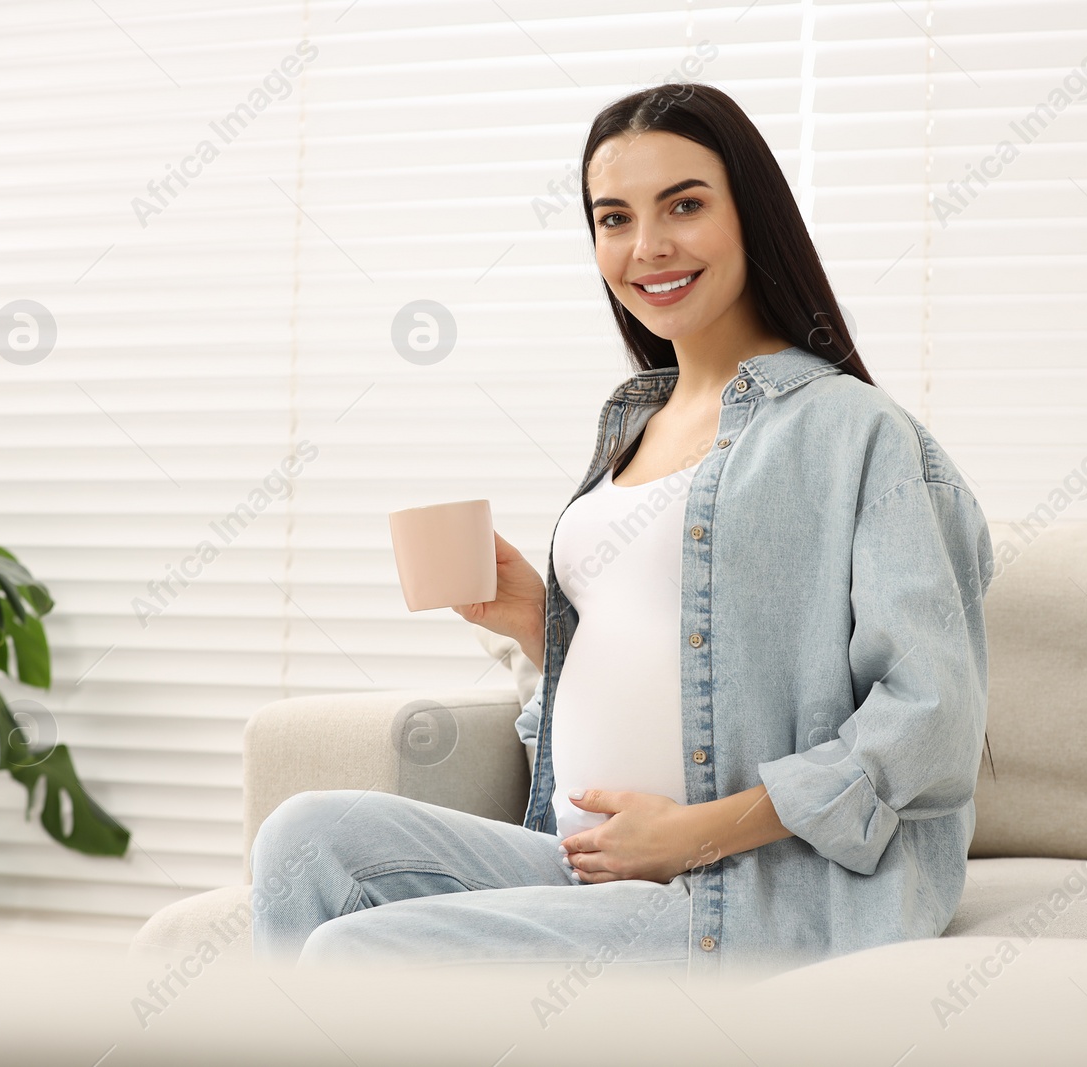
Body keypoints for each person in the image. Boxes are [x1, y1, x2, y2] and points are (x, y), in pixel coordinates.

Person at [251, 82, 995, 984]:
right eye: (614, 217)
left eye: (684, 204)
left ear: (751, 215)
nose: (648, 247)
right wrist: (538, 622)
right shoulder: (632, 426)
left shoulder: (857, 432)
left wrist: (694, 833)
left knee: (353, 953)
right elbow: (656, 654)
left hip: (752, 888)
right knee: (303, 837)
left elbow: (934, 719)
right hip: (584, 859)